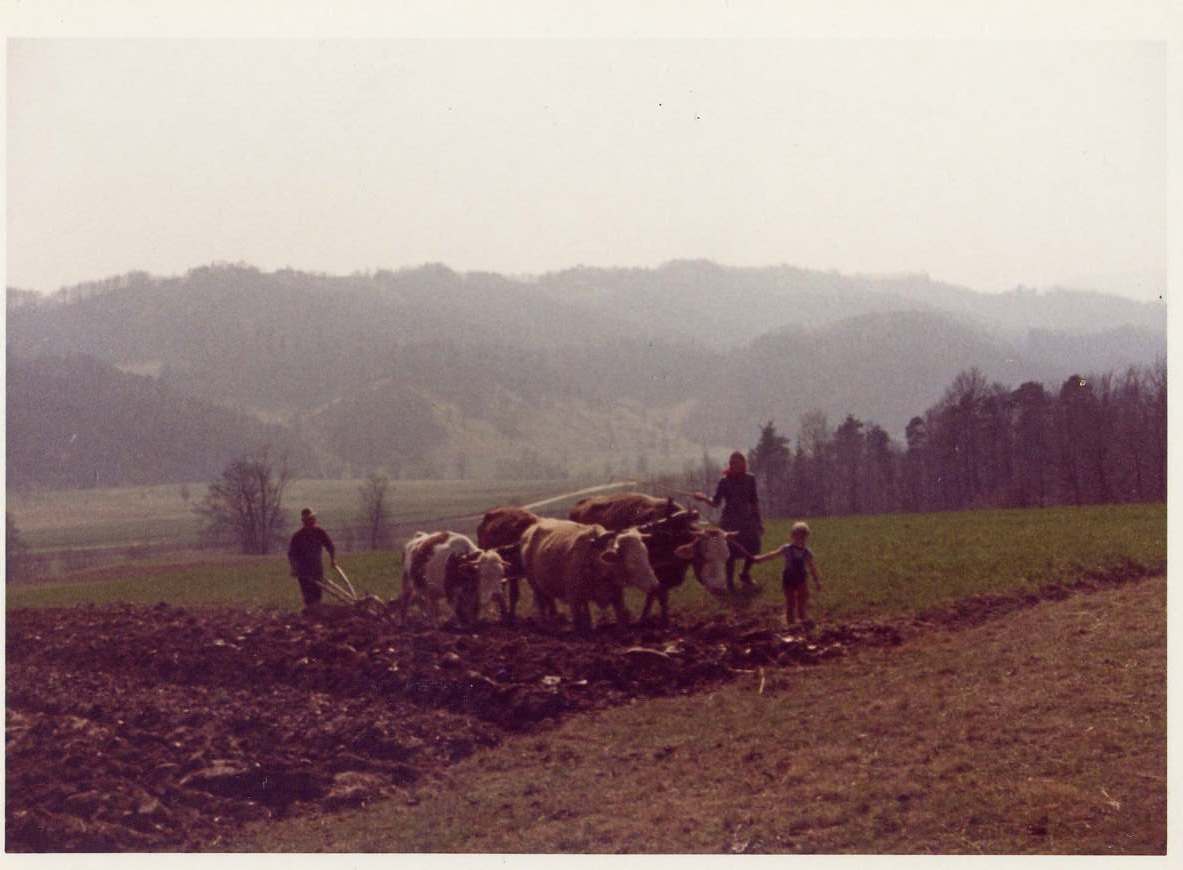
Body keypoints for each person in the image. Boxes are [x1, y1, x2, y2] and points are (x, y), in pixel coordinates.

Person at [692, 451, 763, 591]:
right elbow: (716, 502)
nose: (732, 465)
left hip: (747, 520)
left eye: (735, 462)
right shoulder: (724, 481)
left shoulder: (750, 479)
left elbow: (754, 501)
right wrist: (703, 498)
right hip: (729, 521)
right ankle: (730, 583)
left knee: (754, 546)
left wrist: (758, 520)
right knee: (730, 551)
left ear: (743, 463)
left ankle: (745, 574)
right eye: (731, 463)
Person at [752, 521, 822, 625]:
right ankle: (790, 624)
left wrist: (817, 581)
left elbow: (812, 568)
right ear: (792, 536)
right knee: (790, 602)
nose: (800, 539)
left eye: (803, 537)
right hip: (788, 578)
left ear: (806, 537)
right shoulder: (787, 549)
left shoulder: (807, 552)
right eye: (797, 536)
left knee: (802, 601)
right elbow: (773, 554)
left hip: (801, 579)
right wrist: (760, 558)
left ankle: (802, 621)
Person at [287, 507, 337, 607]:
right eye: (308, 519)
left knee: (317, 595)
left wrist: (333, 559)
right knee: (308, 597)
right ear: (304, 521)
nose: (311, 521)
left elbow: (330, 546)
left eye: (312, 518)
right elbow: (291, 554)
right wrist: (293, 568)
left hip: (317, 569)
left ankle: (316, 612)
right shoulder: (297, 536)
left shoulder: (319, 532)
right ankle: (311, 612)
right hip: (303, 572)